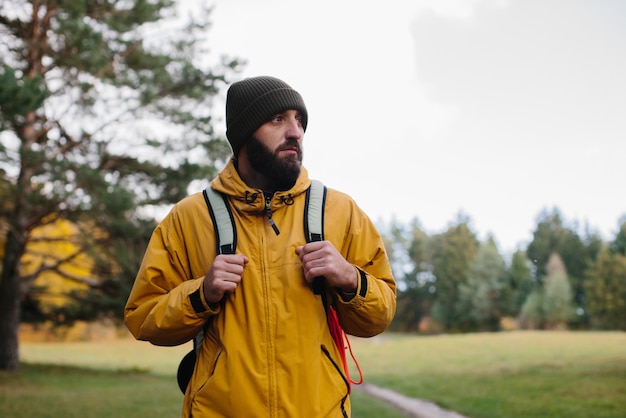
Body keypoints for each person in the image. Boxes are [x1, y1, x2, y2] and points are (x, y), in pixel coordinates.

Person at [124, 76, 396, 417]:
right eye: (278, 119)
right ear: (244, 134)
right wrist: (201, 294)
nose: (295, 131)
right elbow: (143, 317)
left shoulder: (341, 211)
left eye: (299, 120)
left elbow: (379, 316)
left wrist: (350, 279)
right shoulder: (189, 218)